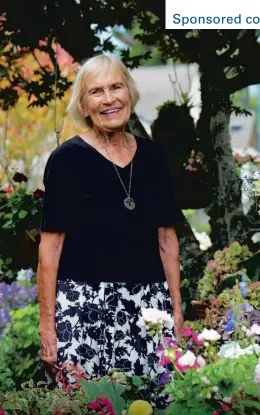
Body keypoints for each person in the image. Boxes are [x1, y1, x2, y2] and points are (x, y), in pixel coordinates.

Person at [37, 54, 184, 393]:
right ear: (84, 105)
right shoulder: (66, 160)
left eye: (116, 87)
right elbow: (50, 247)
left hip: (149, 306)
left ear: (129, 93)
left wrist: (176, 310)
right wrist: (48, 324)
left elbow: (167, 238)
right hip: (83, 308)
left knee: (157, 408)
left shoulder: (154, 157)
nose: (109, 99)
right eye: (96, 92)